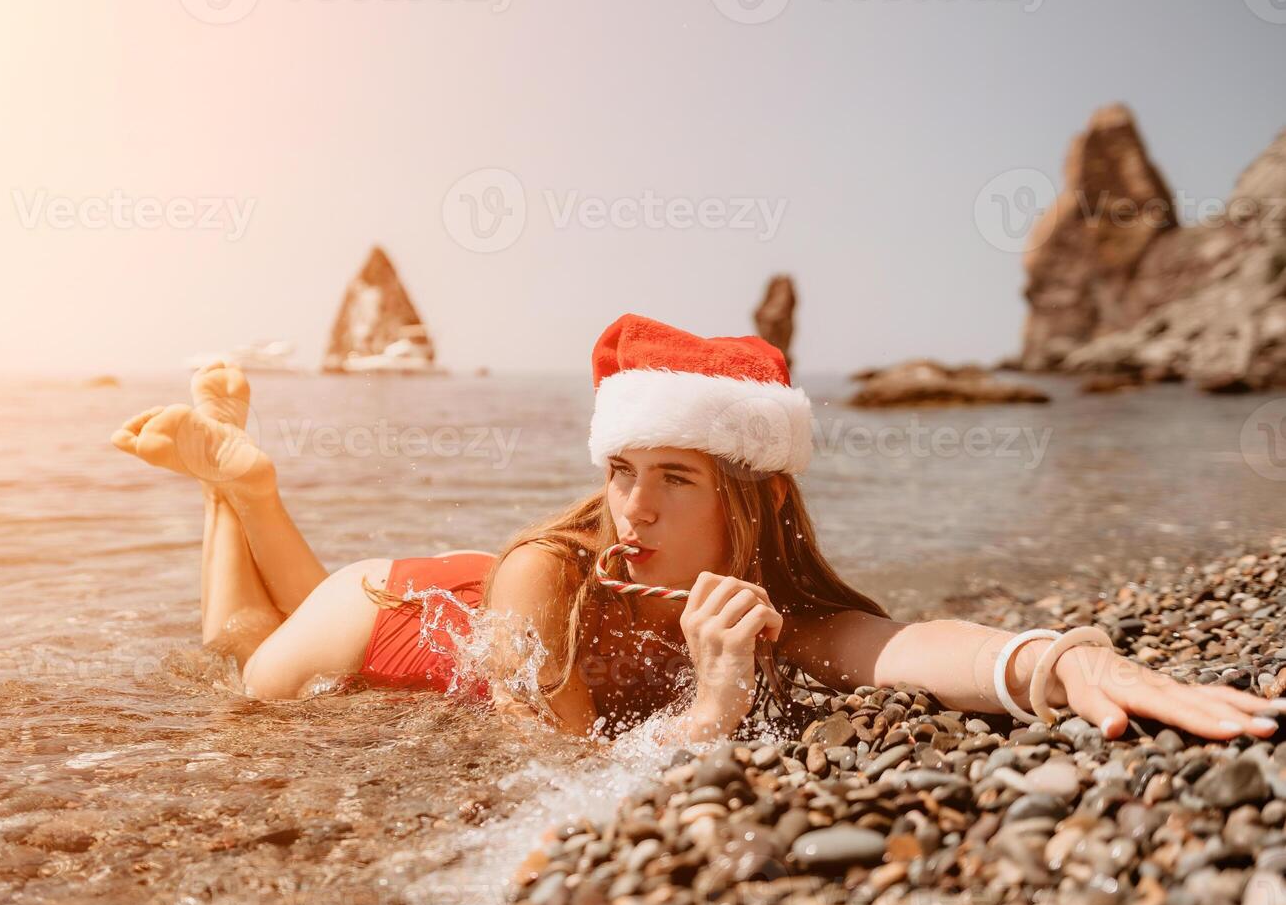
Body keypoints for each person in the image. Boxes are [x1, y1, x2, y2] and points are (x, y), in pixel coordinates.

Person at [111, 313, 1286, 745]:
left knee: (235, 623)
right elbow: (547, 763)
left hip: (469, 606)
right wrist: (713, 707)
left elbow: (901, 643)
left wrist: (1065, 657)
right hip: (397, 616)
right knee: (233, 640)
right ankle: (244, 483)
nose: (634, 506)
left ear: (753, 495)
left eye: (673, 476)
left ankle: (243, 480)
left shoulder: (769, 602)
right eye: (621, 470)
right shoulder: (544, 569)